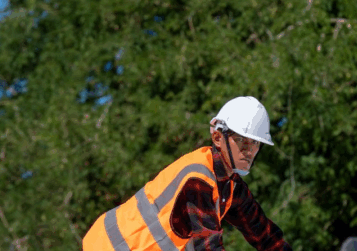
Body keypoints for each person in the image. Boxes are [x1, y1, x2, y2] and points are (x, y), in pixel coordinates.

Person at [82, 96, 293, 250]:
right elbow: (208, 245)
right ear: (218, 137)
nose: (249, 151)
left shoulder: (231, 187)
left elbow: (265, 236)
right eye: (241, 141)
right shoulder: (198, 178)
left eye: (255, 143)